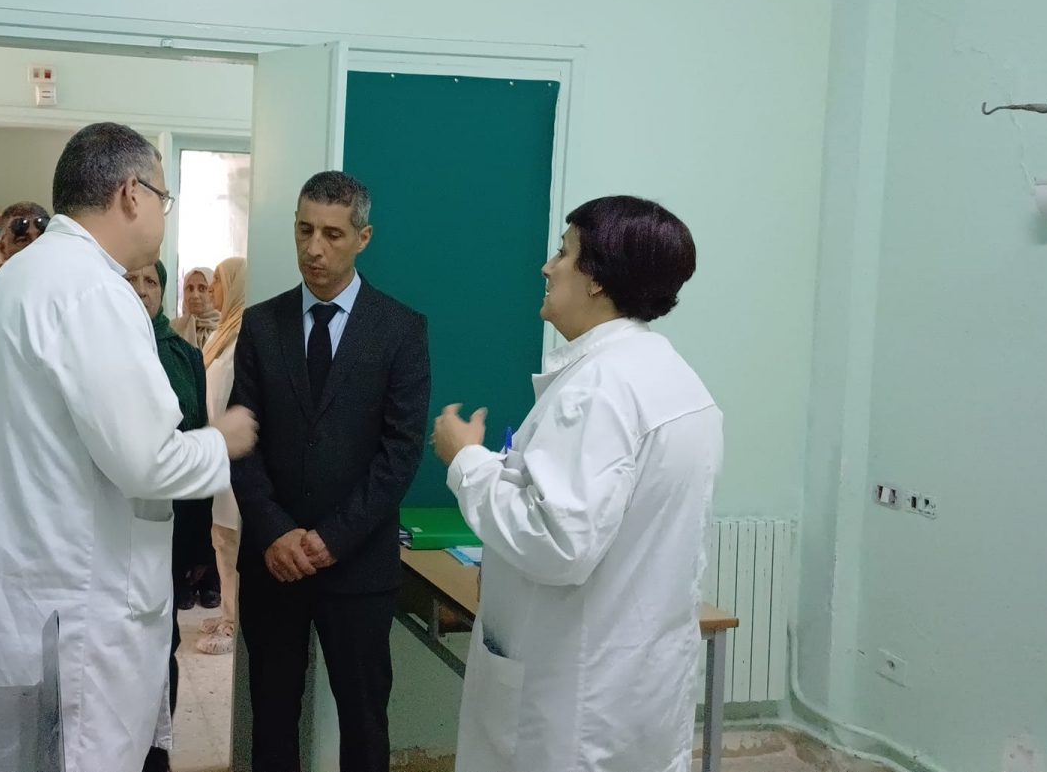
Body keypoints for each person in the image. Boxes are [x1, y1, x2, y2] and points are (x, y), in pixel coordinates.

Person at [0, 122, 259, 772]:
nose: (164, 214)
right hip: (74, 615)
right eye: (164, 197)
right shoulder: (92, 292)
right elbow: (149, 460)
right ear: (131, 194)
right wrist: (220, 441)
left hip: (24, 601)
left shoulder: (16, 282)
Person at [431, 195, 723, 772]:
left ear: (597, 278)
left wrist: (467, 461)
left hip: (573, 701)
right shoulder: (675, 380)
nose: (547, 267)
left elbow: (558, 542)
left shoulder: (599, 389)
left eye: (563, 253)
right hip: (634, 688)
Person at [231, 171, 431, 772]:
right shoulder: (261, 325)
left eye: (332, 234)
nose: (314, 248)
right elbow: (242, 442)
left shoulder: (400, 329)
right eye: (304, 230)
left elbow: (400, 453)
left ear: (363, 238)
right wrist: (275, 532)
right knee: (272, 718)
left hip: (357, 564)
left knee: (364, 724)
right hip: (273, 563)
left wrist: (330, 539)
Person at [125, 260, 210, 772]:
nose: (142, 291)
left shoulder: (184, 355)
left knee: (165, 643)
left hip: (175, 527)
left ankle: (158, 755)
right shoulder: (103, 350)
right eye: (130, 280)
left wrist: (200, 547)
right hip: (117, 529)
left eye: (151, 281)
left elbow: (198, 445)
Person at [196, 256, 246, 655]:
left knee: (231, 541)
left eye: (217, 281)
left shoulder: (243, 336)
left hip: (233, 457)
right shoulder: (222, 333)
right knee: (220, 538)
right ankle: (228, 613)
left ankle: (234, 625)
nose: (212, 289)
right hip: (214, 453)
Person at [0, 201, 51, 298]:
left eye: (42, 239)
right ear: (2, 248)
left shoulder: (64, 291)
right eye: (23, 240)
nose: (35, 247)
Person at [171, 266, 219, 349]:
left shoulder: (226, 329)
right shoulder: (173, 328)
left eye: (202, 288)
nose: (195, 295)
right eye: (190, 288)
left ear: (214, 292)